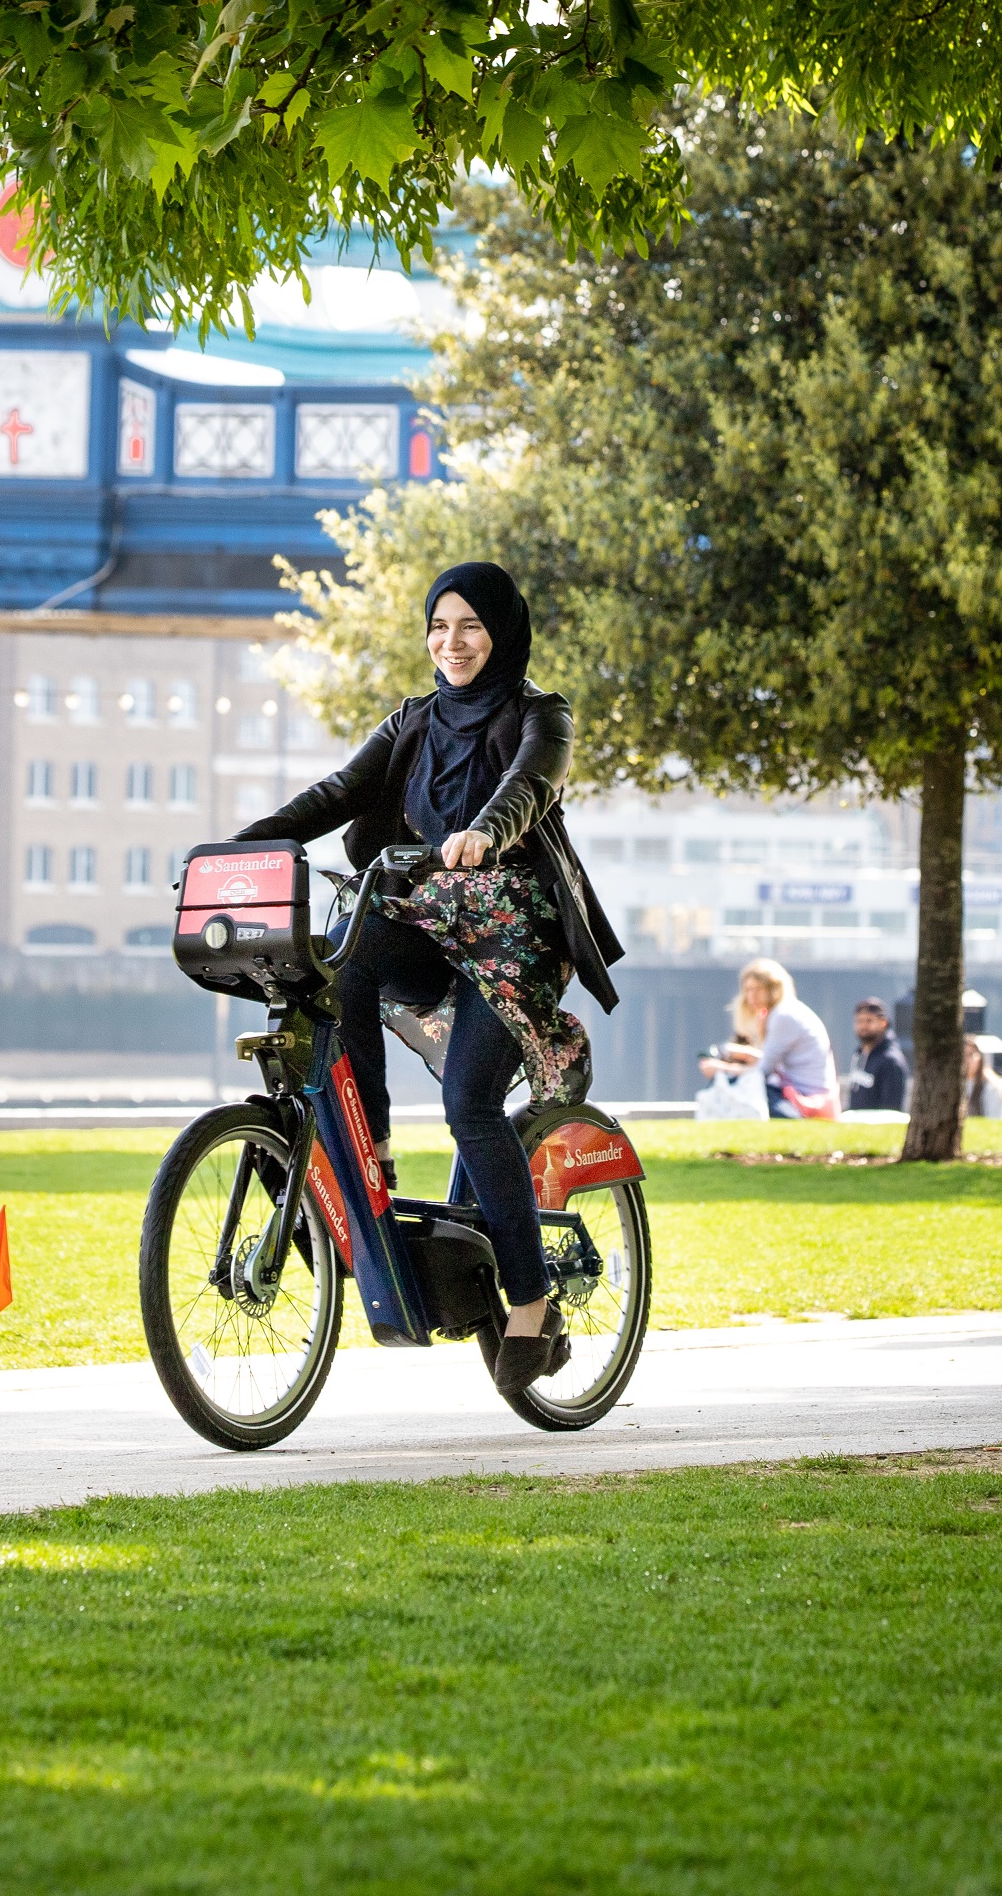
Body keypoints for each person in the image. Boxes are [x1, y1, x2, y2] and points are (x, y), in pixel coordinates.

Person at [235, 561, 625, 1397]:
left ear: (502, 633)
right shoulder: (413, 721)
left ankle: (531, 1304)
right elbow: (341, 791)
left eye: (471, 626)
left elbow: (531, 783)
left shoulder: (540, 714)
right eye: (439, 626)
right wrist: (252, 841)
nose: (452, 643)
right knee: (348, 954)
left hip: (514, 931)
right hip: (430, 915)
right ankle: (368, 1145)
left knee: (469, 1104)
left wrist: (485, 832)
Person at [699, 958, 837, 1117]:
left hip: (804, 1098)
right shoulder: (787, 1011)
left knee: (730, 1081)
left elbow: (762, 1072)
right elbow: (774, 1062)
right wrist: (741, 1053)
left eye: (759, 989)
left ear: (774, 989)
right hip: (805, 1092)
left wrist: (720, 1068)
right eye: (749, 990)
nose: (752, 996)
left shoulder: (782, 1015)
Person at [844, 996, 911, 1112]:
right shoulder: (859, 1054)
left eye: (869, 1021)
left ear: (883, 1023)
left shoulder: (891, 1061)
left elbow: (891, 1111)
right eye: (859, 1021)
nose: (863, 1026)